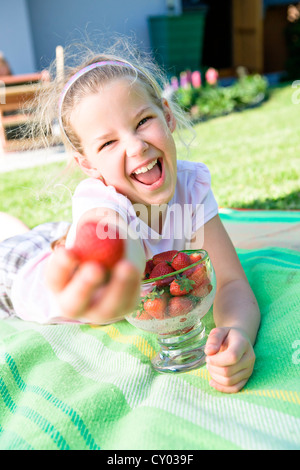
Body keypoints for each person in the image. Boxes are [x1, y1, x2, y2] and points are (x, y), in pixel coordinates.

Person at [0, 43, 260, 393]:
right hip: (15, 274)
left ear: (167, 116)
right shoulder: (99, 201)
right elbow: (113, 241)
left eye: (142, 121)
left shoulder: (191, 185)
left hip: (55, 237)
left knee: (36, 234)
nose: (136, 146)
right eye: (107, 144)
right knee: (14, 244)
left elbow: (231, 282)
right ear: (89, 165)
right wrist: (112, 271)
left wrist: (238, 332)